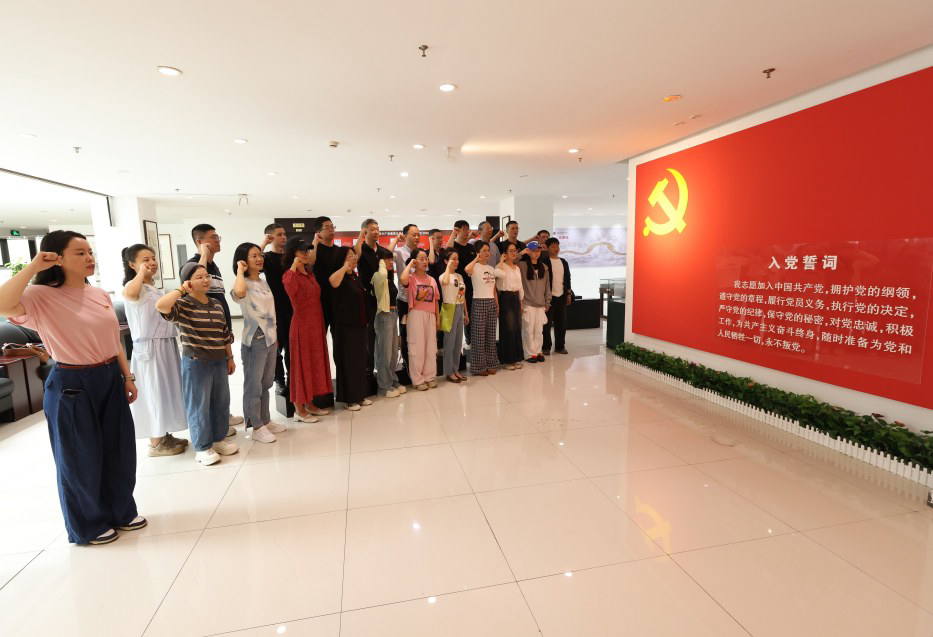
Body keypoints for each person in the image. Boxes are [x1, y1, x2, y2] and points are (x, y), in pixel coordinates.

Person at [0, 231, 145, 545]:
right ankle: (88, 524)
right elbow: (2, 304)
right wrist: (33, 266)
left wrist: (127, 377)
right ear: (57, 258)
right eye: (80, 253)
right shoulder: (39, 295)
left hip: (110, 375)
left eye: (89, 251)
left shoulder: (99, 294)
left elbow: (114, 341)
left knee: (119, 450)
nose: (89, 257)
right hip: (72, 381)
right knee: (80, 456)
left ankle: (121, 510)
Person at [157, 262, 239, 466]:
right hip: (196, 362)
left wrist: (229, 357)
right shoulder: (182, 304)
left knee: (221, 403)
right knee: (198, 406)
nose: (205, 280)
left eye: (206, 276)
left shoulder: (216, 304)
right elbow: (161, 306)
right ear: (188, 281)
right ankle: (202, 448)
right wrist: (181, 290)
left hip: (219, 361)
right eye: (199, 277)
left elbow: (224, 333)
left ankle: (218, 439)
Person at [122, 244, 188, 457]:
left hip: (165, 344)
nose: (151, 263)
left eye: (153, 258)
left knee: (166, 390)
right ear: (132, 264)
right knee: (154, 392)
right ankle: (156, 443)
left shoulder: (152, 286)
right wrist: (140, 273)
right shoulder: (134, 286)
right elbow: (130, 293)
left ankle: (164, 434)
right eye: (145, 260)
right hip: (150, 348)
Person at [187, 223, 243, 432]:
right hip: (205, 338)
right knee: (208, 384)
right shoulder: (193, 265)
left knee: (220, 382)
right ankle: (214, 427)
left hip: (221, 330)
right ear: (200, 242)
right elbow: (196, 290)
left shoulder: (215, 267)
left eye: (218, 236)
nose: (218, 240)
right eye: (213, 237)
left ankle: (222, 417)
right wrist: (203, 255)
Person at [231, 243, 287, 443]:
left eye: (260, 255)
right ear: (243, 261)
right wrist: (240, 271)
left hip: (271, 338)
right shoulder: (242, 283)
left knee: (266, 383)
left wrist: (275, 336)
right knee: (253, 386)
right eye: (253, 256)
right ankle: (256, 426)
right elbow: (238, 293)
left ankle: (265, 420)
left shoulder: (263, 281)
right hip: (254, 339)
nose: (259, 259)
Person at [282, 237, 333, 421]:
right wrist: (293, 267)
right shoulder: (289, 275)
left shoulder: (310, 274)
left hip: (316, 324)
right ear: (293, 253)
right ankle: (298, 409)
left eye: (308, 250)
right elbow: (290, 289)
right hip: (301, 326)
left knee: (313, 363)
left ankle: (310, 403)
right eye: (302, 250)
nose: (306, 253)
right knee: (300, 366)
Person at [329, 247, 373, 411]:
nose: (354, 258)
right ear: (341, 259)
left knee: (359, 361)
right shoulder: (339, 276)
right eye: (349, 256)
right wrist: (344, 268)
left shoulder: (354, 276)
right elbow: (333, 282)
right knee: (348, 362)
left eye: (354, 255)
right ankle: (349, 399)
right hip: (346, 327)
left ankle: (359, 395)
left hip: (359, 325)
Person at [399, 248, 440, 390]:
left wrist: (437, 318)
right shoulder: (411, 278)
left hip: (430, 315)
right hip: (416, 314)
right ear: (415, 261)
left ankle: (429, 377)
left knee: (430, 348)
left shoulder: (432, 279)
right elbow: (402, 279)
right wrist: (410, 265)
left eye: (426, 258)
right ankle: (417, 380)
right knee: (416, 348)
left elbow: (435, 301)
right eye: (421, 259)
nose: (425, 261)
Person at [259, 223, 291, 394]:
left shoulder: (290, 257)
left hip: (291, 308)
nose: (283, 237)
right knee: (276, 348)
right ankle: (279, 380)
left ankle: (293, 378)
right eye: (279, 234)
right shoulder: (267, 258)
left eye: (284, 234)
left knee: (292, 348)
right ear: (270, 237)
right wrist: (264, 242)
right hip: (274, 310)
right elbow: (252, 259)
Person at [464, 240, 503, 376]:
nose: (487, 253)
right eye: (484, 251)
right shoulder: (474, 267)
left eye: (488, 250)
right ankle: (479, 367)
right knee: (479, 337)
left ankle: (491, 364)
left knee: (491, 336)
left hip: (491, 302)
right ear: (477, 253)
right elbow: (467, 269)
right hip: (479, 302)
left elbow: (493, 289)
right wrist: (476, 258)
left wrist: (497, 304)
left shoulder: (491, 268)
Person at [371, 246, 404, 397]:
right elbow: (382, 273)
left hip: (393, 314)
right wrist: (381, 262)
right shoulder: (378, 276)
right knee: (384, 352)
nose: (391, 262)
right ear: (380, 261)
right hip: (384, 315)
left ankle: (392, 379)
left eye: (392, 259)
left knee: (393, 351)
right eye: (388, 259)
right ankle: (383, 386)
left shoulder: (389, 278)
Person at [353, 218, 381, 392]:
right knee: (369, 338)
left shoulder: (381, 250)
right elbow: (356, 255)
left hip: (383, 299)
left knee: (382, 337)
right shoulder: (361, 249)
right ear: (365, 231)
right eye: (372, 229)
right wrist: (360, 236)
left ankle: (381, 370)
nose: (376, 231)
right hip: (367, 299)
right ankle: (368, 372)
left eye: (377, 228)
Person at [393, 223, 420, 381]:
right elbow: (386, 253)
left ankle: (418, 366)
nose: (417, 237)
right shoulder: (399, 252)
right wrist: (396, 240)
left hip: (419, 301)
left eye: (418, 235)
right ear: (405, 235)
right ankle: (407, 366)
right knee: (405, 334)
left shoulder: (419, 253)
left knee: (417, 334)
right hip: (404, 300)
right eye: (413, 234)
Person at [518, 241, 552, 363]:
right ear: (529, 251)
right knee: (528, 330)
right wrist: (522, 253)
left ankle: (538, 351)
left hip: (540, 304)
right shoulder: (522, 266)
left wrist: (547, 301)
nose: (537, 253)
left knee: (539, 330)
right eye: (534, 250)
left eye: (538, 250)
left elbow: (547, 286)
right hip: (527, 303)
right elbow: (512, 261)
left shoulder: (544, 267)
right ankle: (529, 354)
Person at [439, 250, 469, 383]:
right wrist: (448, 267)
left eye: (457, 259)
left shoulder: (460, 276)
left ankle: (455, 369)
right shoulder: (443, 276)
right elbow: (445, 282)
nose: (456, 262)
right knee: (449, 343)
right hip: (449, 309)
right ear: (446, 261)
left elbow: (462, 295)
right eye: (453, 259)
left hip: (460, 307)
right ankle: (448, 371)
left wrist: (465, 312)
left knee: (458, 343)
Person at [495, 243, 525, 370]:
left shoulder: (517, 268)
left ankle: (515, 358)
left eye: (515, 250)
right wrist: (501, 261)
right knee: (508, 328)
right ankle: (507, 360)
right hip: (505, 298)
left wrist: (521, 301)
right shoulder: (500, 266)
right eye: (511, 251)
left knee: (517, 328)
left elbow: (520, 285)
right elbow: (498, 274)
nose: (514, 253)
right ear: (505, 253)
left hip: (516, 297)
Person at [447, 220, 476, 344]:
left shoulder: (470, 247)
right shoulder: (454, 246)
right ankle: (456, 341)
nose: (466, 231)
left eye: (467, 228)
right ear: (458, 230)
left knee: (470, 311)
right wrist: (453, 234)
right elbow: (447, 250)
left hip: (471, 284)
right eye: (463, 229)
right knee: (458, 313)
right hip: (456, 285)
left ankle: (470, 339)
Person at [542, 237, 572, 355]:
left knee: (561, 324)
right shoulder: (544, 261)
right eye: (553, 246)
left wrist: (568, 293)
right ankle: (546, 347)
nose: (556, 248)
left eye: (557, 246)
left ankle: (560, 346)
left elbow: (568, 278)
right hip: (549, 298)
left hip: (561, 296)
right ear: (547, 248)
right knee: (546, 324)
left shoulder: (563, 262)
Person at [311, 216, 339, 333]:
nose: (331, 230)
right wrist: (315, 242)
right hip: (321, 300)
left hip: (337, 299)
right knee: (321, 334)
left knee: (338, 335)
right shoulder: (315, 249)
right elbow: (310, 263)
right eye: (327, 227)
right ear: (318, 232)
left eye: (332, 227)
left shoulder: (338, 250)